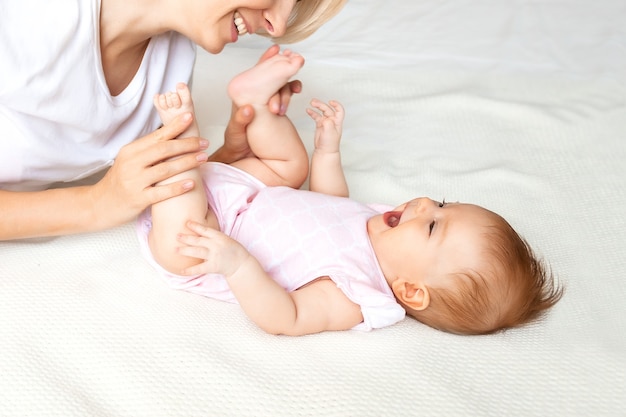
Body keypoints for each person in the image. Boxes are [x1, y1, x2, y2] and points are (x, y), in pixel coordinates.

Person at [137, 50, 564, 336]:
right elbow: (330, 203)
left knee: (182, 247)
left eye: (433, 225)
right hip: (245, 189)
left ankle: (178, 142)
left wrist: (236, 264)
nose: (423, 205)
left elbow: (288, 317)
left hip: (212, 238)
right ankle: (256, 101)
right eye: (442, 202)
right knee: (292, 166)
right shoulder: (378, 225)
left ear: (411, 290)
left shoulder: (359, 294)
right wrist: (327, 150)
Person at [0, 0, 347, 240]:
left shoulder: (172, 64)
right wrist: (96, 205)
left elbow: (151, 191)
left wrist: (223, 162)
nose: (279, 25)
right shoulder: (24, 17)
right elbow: (111, 198)